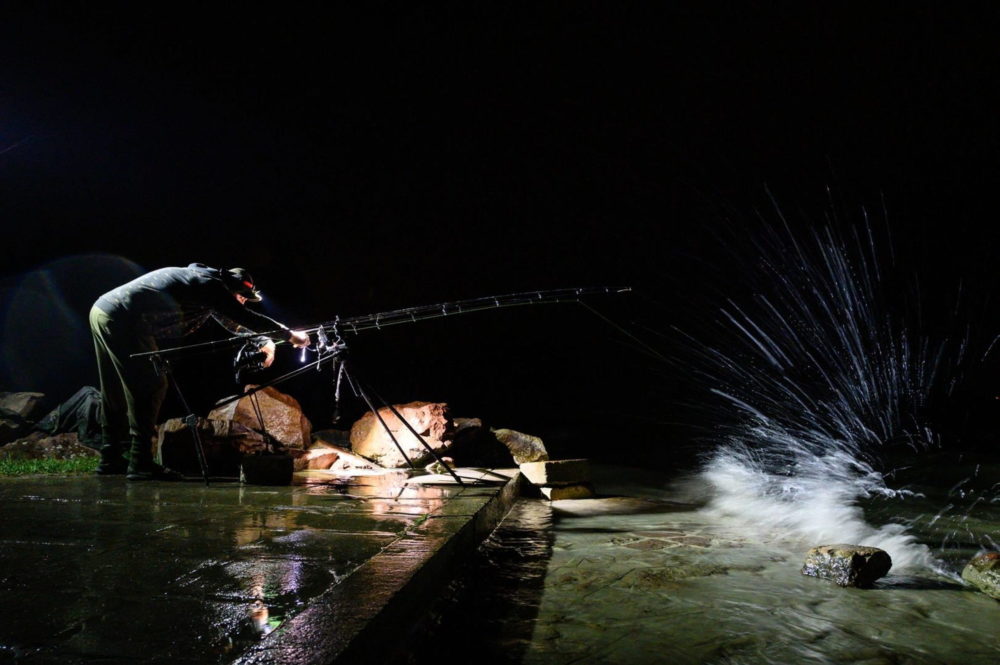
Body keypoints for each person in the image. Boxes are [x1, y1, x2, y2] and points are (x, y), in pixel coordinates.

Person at [89, 263, 311, 480]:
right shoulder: (210, 285)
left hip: (104, 310)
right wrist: (289, 335)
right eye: (242, 297)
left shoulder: (201, 285)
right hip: (125, 318)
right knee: (151, 385)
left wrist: (265, 341)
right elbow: (244, 318)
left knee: (114, 389)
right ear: (232, 289)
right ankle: (140, 462)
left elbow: (233, 322)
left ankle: (110, 458)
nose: (243, 302)